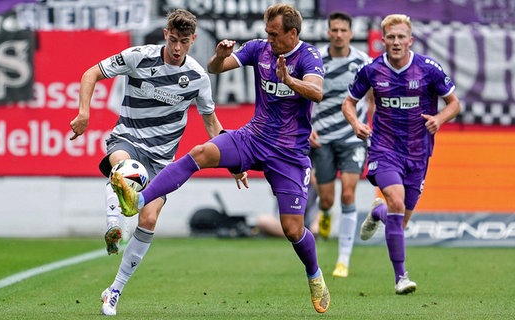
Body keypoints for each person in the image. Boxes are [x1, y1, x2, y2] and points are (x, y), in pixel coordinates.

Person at [111, 3, 331, 314]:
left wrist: (290, 81)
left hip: (289, 153)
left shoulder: (308, 56)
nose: (269, 39)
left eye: (275, 34)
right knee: (200, 152)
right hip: (253, 138)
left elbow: (318, 92)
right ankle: (139, 199)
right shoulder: (259, 49)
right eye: (267, 33)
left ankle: (314, 275)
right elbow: (215, 69)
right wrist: (220, 55)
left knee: (293, 229)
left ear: (292, 33)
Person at [69, 9, 224, 316]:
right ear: (166, 34)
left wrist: (236, 160)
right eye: (174, 39)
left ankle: (114, 291)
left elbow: (212, 125)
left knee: (149, 219)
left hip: (163, 158)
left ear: (193, 40)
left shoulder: (197, 78)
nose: (178, 47)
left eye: (185, 41)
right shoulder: (139, 57)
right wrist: (84, 113)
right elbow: (91, 73)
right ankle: (114, 226)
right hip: (126, 138)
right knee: (126, 169)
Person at [341, 14, 461, 294]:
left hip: (418, 152)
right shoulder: (371, 70)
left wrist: (439, 119)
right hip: (385, 148)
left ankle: (378, 212)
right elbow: (349, 102)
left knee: (399, 219)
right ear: (383, 41)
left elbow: (454, 103)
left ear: (410, 40)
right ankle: (401, 278)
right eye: (391, 37)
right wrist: (356, 123)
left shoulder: (428, 69)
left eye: (400, 37)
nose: (396, 42)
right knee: (397, 200)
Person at [309, 12, 374, 278]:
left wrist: (372, 127)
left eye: (342, 30)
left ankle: (343, 259)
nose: (338, 34)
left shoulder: (363, 62)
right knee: (327, 199)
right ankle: (324, 214)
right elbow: (303, 96)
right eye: (333, 29)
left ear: (350, 33)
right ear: (328, 32)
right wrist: (307, 126)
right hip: (322, 138)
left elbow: (373, 97)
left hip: (352, 138)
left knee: (348, 195)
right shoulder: (316, 61)